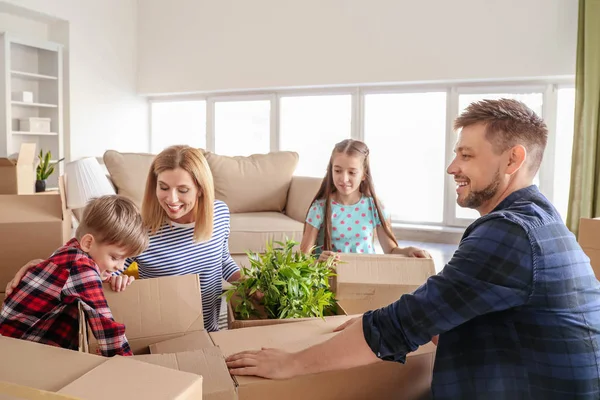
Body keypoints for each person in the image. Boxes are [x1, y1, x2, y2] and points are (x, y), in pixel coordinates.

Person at [225, 99, 600, 399]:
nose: (452, 166)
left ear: (513, 159)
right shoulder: (538, 217)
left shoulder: (510, 234)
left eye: (467, 155)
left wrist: (291, 363)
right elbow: (452, 311)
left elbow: (405, 324)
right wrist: (382, 321)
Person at [7, 145, 241, 332]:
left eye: (183, 190)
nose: (171, 199)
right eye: (163, 187)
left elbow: (222, 260)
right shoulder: (142, 230)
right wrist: (40, 268)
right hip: (167, 332)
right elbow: (100, 268)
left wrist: (248, 282)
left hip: (211, 329)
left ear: (201, 189)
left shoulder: (219, 213)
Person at [0, 195, 148, 357]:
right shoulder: (81, 266)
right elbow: (106, 328)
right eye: (114, 258)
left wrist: (106, 278)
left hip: (19, 336)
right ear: (88, 243)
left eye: (125, 260)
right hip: (17, 347)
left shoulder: (71, 249)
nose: (120, 267)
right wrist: (130, 366)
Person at [300, 139, 430, 261]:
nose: (344, 179)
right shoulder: (319, 209)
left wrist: (408, 250)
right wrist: (318, 261)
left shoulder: (374, 207)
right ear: (331, 170)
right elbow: (302, 258)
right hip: (330, 280)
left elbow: (390, 250)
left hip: (365, 278)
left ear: (363, 174)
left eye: (352, 172)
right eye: (338, 170)